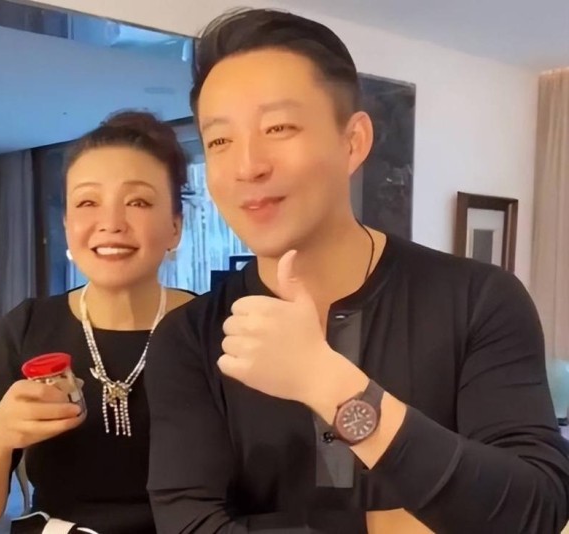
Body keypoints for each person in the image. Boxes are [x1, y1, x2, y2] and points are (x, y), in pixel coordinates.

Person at [144, 8, 569, 534]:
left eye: (278, 127)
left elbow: (535, 512)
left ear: (353, 142)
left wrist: (327, 382)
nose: (248, 165)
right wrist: (388, 526)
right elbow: (189, 527)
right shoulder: (191, 339)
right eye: (219, 141)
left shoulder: (478, 300)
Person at [0, 111, 195, 533]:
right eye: (88, 202)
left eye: (138, 202)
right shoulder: (28, 326)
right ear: (67, 224)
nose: (111, 224)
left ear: (175, 228)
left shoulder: (217, 329)